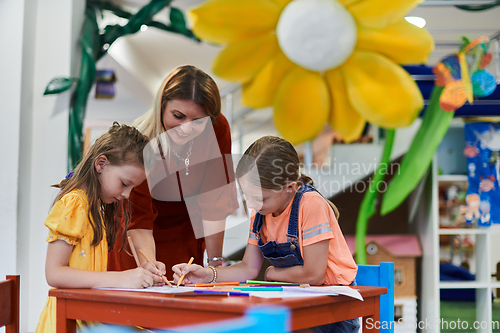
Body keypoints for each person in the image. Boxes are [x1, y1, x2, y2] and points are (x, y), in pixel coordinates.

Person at [172, 136, 359, 333]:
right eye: (247, 196)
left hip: (335, 307)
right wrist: (208, 275)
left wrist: (272, 273)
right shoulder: (260, 212)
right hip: (298, 301)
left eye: (260, 198)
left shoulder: (311, 204)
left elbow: (314, 275)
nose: (252, 204)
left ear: (289, 187)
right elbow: (247, 268)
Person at [107, 65, 238, 280]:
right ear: (161, 107)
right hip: (138, 239)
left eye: (197, 122)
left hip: (184, 232)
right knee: (147, 292)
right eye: (178, 116)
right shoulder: (141, 143)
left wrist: (215, 269)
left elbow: (214, 199)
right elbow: (139, 221)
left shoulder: (217, 128)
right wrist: (151, 267)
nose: (185, 129)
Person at [36, 123, 163, 333]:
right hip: (67, 323)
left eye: (133, 187)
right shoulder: (74, 203)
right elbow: (54, 273)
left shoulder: (95, 206)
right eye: (124, 183)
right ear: (101, 164)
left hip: (85, 317)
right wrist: (121, 278)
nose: (127, 195)